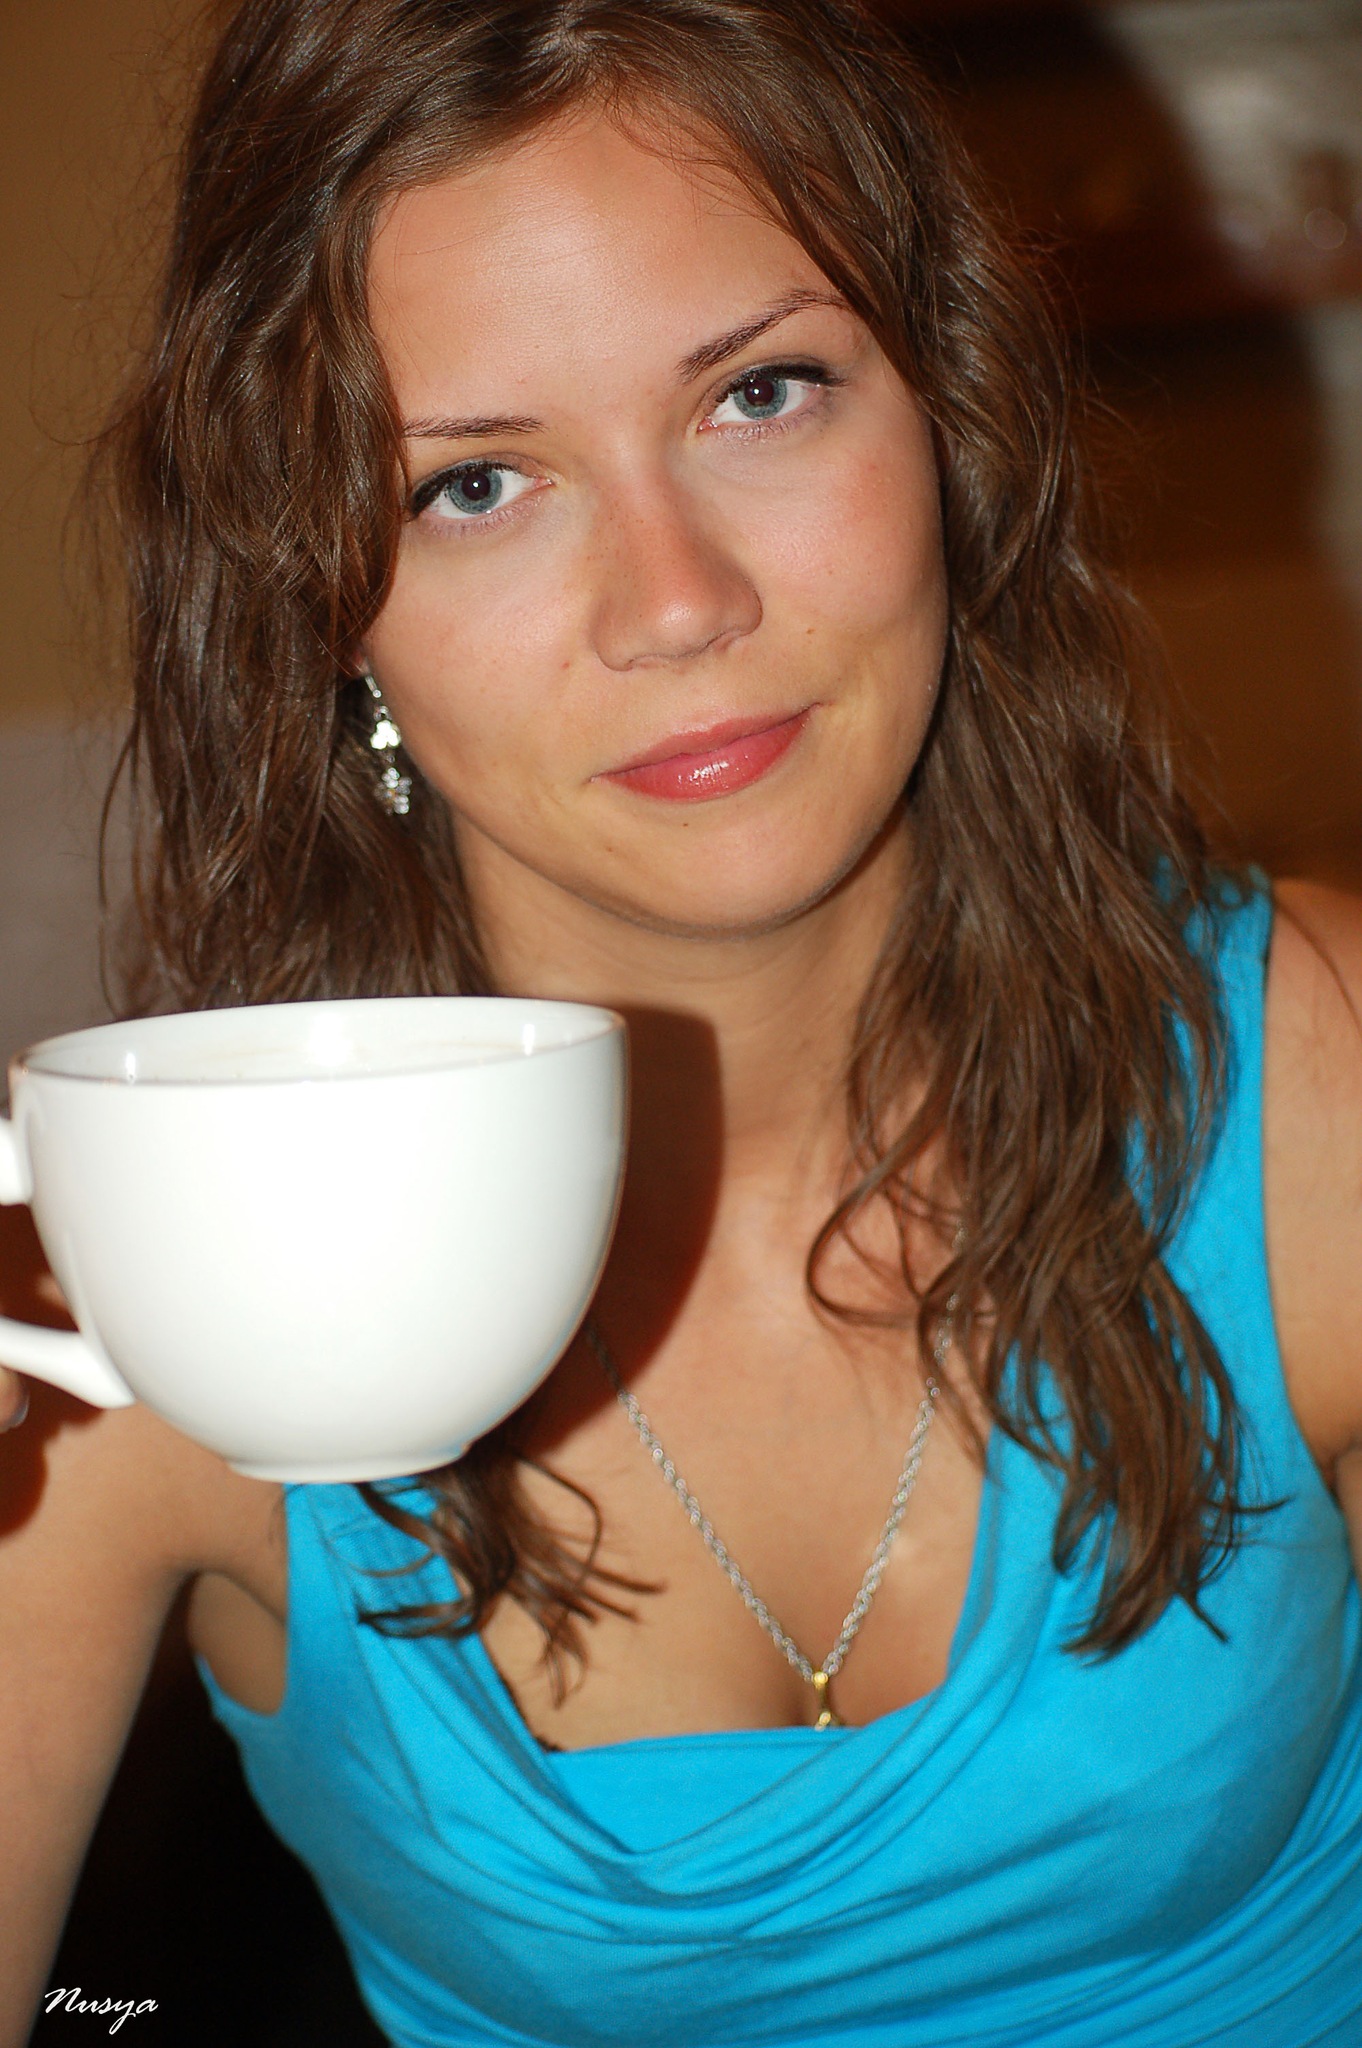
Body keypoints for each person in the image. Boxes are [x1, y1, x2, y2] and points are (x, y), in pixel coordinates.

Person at [2, 1, 1360, 2042]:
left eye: (761, 393)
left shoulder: (1314, 1077)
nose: (675, 600)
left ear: (947, 416)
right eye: (474, 485)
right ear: (319, 604)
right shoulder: (130, 1281)